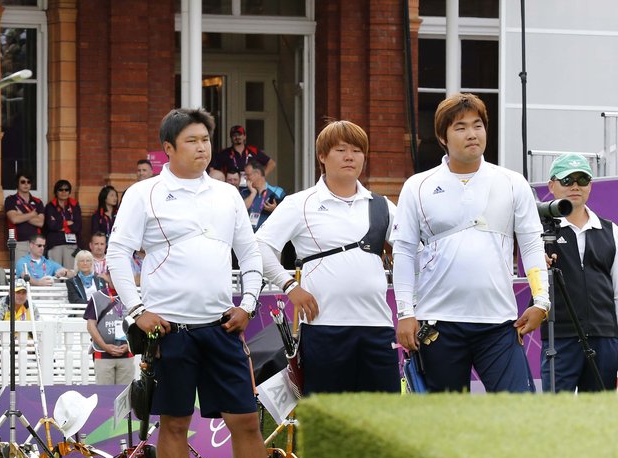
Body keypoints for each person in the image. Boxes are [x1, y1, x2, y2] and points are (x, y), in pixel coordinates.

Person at [106, 108, 303, 458]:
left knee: (247, 421)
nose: (201, 147)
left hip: (223, 328)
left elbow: (249, 255)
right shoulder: (145, 194)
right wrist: (138, 311)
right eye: (191, 140)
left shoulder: (227, 195)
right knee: (174, 423)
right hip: (168, 331)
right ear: (169, 149)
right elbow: (117, 254)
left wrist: (249, 304)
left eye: (205, 140)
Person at [392, 93, 549, 393]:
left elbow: (530, 245)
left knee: (519, 415)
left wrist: (541, 301)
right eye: (460, 127)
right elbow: (403, 251)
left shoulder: (513, 182)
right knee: (448, 426)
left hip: (500, 324)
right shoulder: (417, 186)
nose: (472, 134)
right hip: (438, 325)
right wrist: (404, 313)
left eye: (478, 125)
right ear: (442, 137)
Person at [256, 120, 398, 394]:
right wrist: (290, 287)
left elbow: (411, 250)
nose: (350, 157)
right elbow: (259, 247)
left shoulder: (382, 206)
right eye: (341, 149)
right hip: (324, 329)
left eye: (357, 150)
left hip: (378, 329)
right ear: (322, 156)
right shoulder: (300, 203)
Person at [540, 153, 618, 392]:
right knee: (556, 413)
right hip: (559, 337)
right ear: (552, 186)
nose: (575, 186)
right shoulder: (538, 231)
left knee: (597, 417)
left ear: (590, 186)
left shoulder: (611, 230)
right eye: (567, 180)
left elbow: (616, 293)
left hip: (604, 337)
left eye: (582, 179)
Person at [84, 285, 134, 385]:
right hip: (102, 353)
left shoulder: (132, 296)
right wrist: (105, 346)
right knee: (105, 393)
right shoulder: (97, 296)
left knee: (125, 393)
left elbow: (138, 321)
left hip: (127, 353)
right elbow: (90, 325)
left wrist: (129, 345)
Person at [208, 124, 276, 178]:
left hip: (251, 186)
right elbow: (212, 169)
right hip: (232, 186)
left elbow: (271, 163)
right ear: (231, 138)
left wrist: (261, 176)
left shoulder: (253, 151)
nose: (237, 137)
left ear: (244, 136)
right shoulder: (224, 153)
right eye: (234, 135)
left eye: (239, 135)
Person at [4, 170, 44, 260]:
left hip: (36, 243)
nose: (26, 184)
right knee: (20, 272)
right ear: (17, 184)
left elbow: (40, 223)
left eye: (28, 182)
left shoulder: (38, 201)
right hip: (18, 242)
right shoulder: (10, 200)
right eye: (23, 182)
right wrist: (32, 214)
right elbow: (14, 219)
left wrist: (22, 215)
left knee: (36, 272)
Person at [44, 179, 82, 268]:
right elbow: (51, 226)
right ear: (56, 191)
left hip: (71, 245)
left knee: (70, 274)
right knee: (55, 274)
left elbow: (77, 226)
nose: (64, 192)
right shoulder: (50, 206)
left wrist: (60, 225)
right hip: (55, 244)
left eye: (66, 189)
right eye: (60, 189)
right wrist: (67, 223)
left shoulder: (75, 205)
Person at [242, 157, 285, 233]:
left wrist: (275, 209)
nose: (246, 178)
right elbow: (241, 210)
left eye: (248, 175)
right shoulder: (244, 192)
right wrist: (253, 193)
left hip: (269, 237)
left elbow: (288, 215)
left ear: (257, 174)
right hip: (248, 237)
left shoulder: (277, 192)